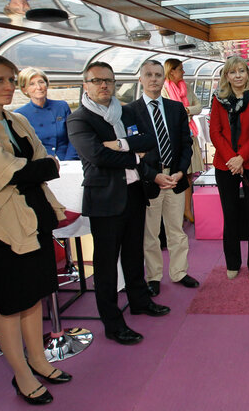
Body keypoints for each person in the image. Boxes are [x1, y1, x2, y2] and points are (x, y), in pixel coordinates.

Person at [0, 53, 70, 405]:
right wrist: (41, 166)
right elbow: (19, 170)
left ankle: (38, 360)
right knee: (10, 303)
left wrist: (40, 166)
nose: (8, 87)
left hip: (35, 214)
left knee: (34, 294)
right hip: (0, 224)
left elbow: (41, 162)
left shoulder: (15, 119)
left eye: (10, 79)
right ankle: (21, 375)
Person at [67, 61, 170, 346]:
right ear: (85, 85)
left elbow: (148, 139)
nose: (104, 86)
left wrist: (123, 144)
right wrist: (135, 154)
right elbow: (98, 157)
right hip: (105, 200)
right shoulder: (79, 120)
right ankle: (113, 323)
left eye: (109, 81)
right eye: (97, 81)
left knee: (134, 253)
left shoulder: (125, 111)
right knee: (106, 264)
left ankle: (139, 301)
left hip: (134, 193)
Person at [124, 61, 198, 297]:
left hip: (175, 176)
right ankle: (154, 276)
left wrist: (180, 170)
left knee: (176, 230)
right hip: (148, 180)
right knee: (151, 233)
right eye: (149, 75)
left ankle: (179, 272)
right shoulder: (130, 112)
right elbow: (131, 150)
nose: (154, 79)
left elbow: (186, 144)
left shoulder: (176, 108)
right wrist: (153, 176)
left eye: (158, 75)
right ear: (141, 80)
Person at [209, 57, 249, 281]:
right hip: (225, 165)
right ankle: (232, 262)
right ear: (226, 76)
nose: (237, 76)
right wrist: (232, 159)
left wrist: (241, 157)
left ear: (248, 74)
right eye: (232, 72)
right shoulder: (218, 99)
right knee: (230, 215)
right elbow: (215, 132)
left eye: (241, 71)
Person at [162, 58, 203, 222]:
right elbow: (168, 113)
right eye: (180, 69)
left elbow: (198, 107)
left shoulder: (187, 88)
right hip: (173, 139)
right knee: (175, 175)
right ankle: (176, 212)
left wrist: (184, 110)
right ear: (172, 71)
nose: (183, 72)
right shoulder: (164, 90)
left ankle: (187, 209)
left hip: (189, 135)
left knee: (189, 175)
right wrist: (185, 112)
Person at [15, 68, 78, 161]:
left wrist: (69, 160)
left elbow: (74, 137)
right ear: (24, 89)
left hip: (67, 160)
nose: (39, 87)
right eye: (32, 84)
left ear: (47, 84)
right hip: (42, 163)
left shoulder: (61, 106)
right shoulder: (19, 114)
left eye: (41, 82)